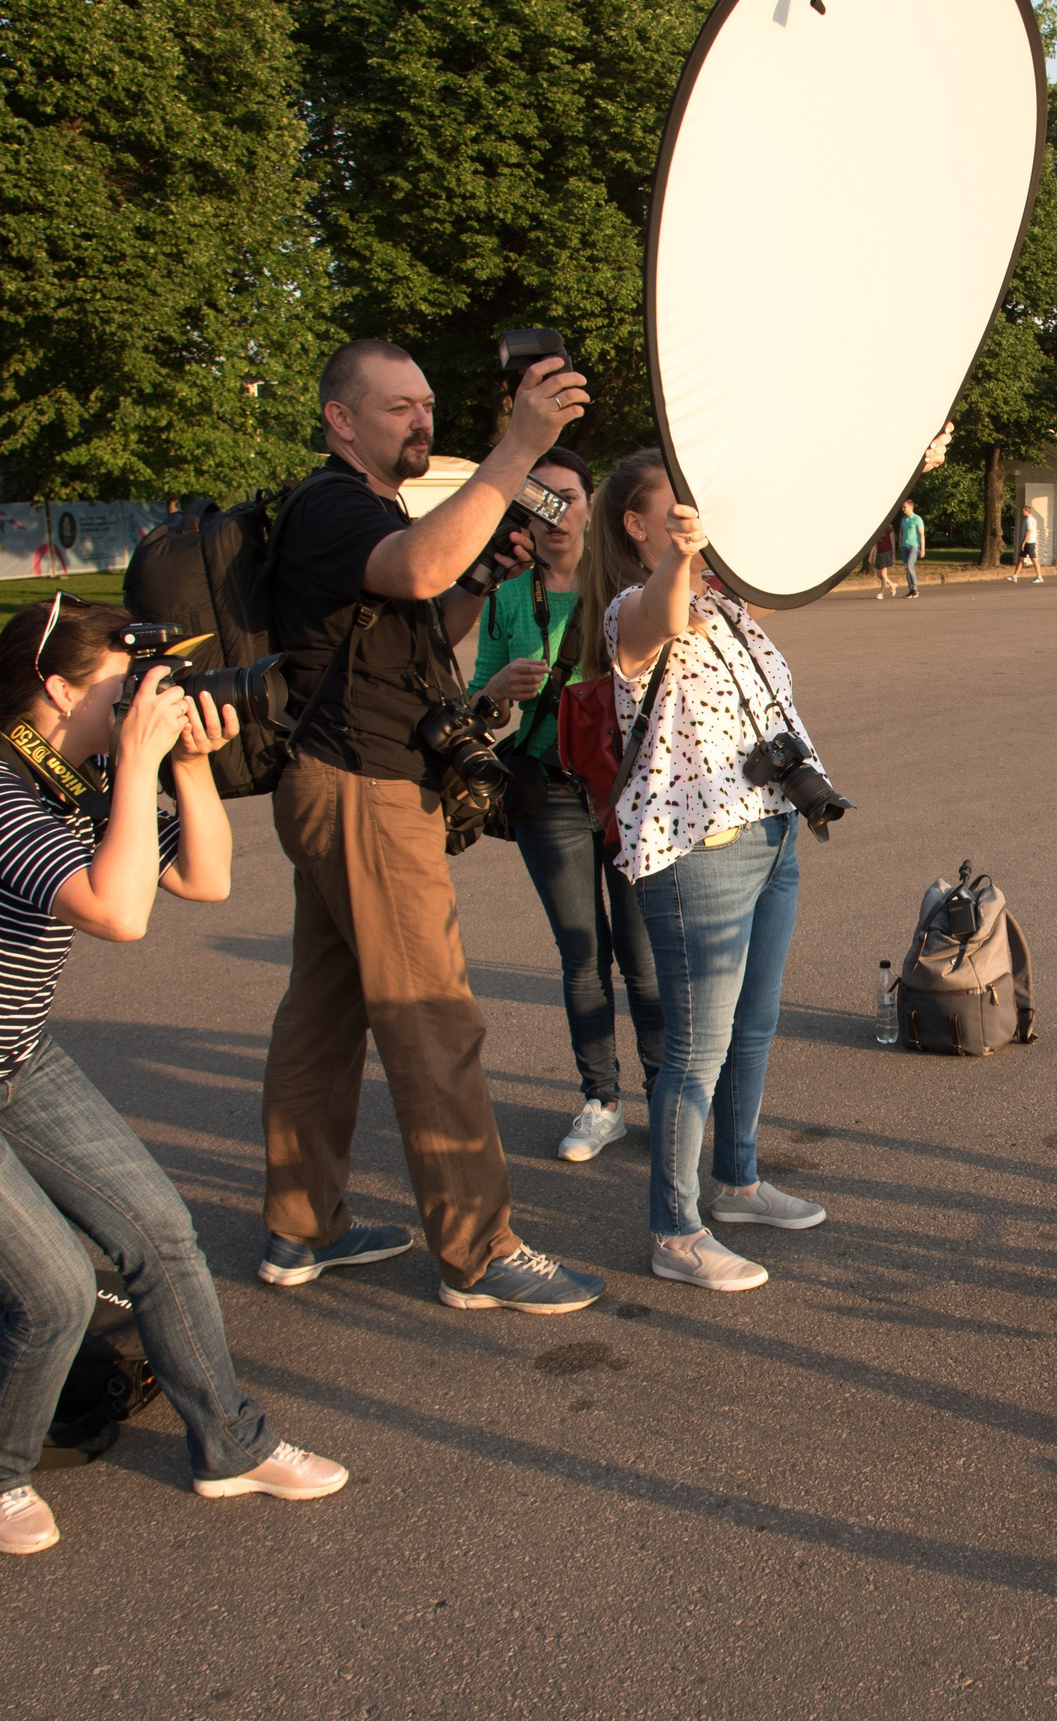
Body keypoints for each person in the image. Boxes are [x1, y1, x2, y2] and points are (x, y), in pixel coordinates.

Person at [0, 596, 351, 1554]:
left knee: (164, 1234)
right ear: (59, 688)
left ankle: (229, 1443)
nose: (147, 695)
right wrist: (142, 760)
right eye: (125, 681)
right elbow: (118, 912)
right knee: (57, 1290)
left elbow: (206, 880)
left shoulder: (77, 776)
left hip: (12, 1057)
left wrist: (186, 763)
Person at [259, 337, 605, 1314]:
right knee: (433, 1021)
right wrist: (516, 448)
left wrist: (484, 576)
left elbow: (421, 619)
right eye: (399, 406)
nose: (423, 420)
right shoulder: (333, 503)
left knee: (324, 1015)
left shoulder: (362, 511)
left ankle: (302, 1226)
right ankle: (478, 1248)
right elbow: (413, 570)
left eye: (427, 402)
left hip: (344, 781)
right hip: (364, 792)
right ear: (342, 419)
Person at [588, 449, 830, 1293]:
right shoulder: (633, 609)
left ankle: (737, 1181)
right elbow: (662, 610)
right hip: (700, 852)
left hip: (770, 833)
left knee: (752, 1029)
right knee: (696, 1048)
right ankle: (674, 1229)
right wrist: (680, 557)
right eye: (678, 507)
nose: (699, 520)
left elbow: (803, 545)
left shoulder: (728, 607)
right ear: (637, 523)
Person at [468, 447, 664, 1165]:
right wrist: (494, 695)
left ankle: (665, 1095)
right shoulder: (506, 596)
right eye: (540, 499)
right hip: (547, 789)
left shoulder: (626, 585)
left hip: (626, 787)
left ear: (591, 508)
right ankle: (602, 1100)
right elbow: (475, 695)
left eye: (569, 497)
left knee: (645, 956)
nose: (556, 513)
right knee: (584, 953)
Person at [895, 498, 926, 595]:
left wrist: (922, 549)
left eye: (905, 507)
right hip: (904, 546)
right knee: (906, 567)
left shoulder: (917, 519)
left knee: (909, 565)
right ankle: (910, 589)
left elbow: (921, 535)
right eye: (902, 507)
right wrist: (899, 543)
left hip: (914, 546)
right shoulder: (903, 520)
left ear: (910, 507)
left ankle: (915, 589)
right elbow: (901, 532)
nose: (903, 509)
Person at [1011, 504, 1041, 581]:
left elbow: (1029, 531)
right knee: (1020, 558)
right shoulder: (1027, 519)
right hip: (1027, 542)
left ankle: (1039, 576)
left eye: (1023, 511)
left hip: (1029, 542)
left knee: (1033, 559)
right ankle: (1015, 576)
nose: (1022, 512)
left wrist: (1024, 542)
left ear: (1027, 511)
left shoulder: (1029, 520)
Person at [870, 519, 899, 598]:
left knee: (883, 574)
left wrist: (893, 556)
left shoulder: (890, 530)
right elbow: (875, 544)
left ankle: (881, 593)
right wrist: (870, 555)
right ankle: (892, 584)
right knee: (879, 575)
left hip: (887, 553)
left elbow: (893, 544)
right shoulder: (878, 530)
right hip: (879, 553)